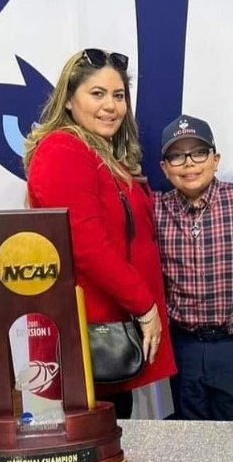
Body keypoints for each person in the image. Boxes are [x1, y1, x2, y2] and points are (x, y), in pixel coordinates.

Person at [24, 49, 176, 418]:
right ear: (70, 100)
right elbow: (87, 245)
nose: (111, 106)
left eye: (119, 95)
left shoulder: (104, 155)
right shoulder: (63, 150)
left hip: (112, 332)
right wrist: (144, 307)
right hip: (93, 338)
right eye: (97, 94)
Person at [153, 115, 233, 420]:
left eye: (199, 153)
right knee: (190, 437)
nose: (189, 163)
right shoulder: (155, 208)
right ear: (164, 167)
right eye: (177, 155)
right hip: (185, 346)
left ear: (216, 159)